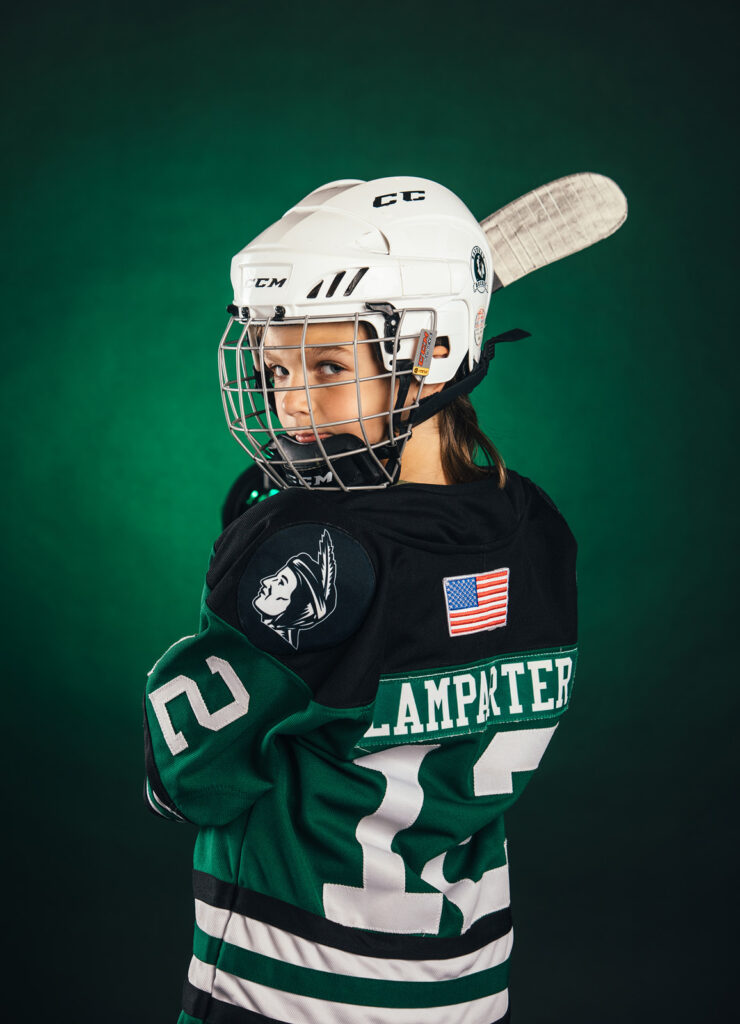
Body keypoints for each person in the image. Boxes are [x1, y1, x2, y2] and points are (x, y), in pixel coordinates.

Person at [144, 176, 578, 1024]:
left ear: (433, 351)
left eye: (330, 364)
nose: (293, 406)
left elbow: (186, 778)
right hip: (469, 988)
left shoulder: (320, 554)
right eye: (275, 368)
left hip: (292, 992)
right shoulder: (538, 530)